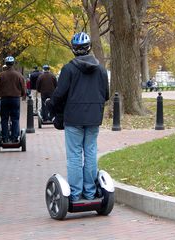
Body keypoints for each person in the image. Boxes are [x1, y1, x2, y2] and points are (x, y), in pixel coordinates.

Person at [47, 32, 109, 202]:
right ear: (89, 48)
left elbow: (59, 95)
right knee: (90, 153)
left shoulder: (68, 69)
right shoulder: (101, 69)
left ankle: (75, 194)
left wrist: (51, 107)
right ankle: (89, 192)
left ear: (73, 49)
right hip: (93, 118)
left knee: (74, 155)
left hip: (74, 119)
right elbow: (106, 95)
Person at [0, 56, 26, 143]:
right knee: (15, 118)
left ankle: (5, 138)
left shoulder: (0, 75)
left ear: (6, 64)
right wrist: (22, 94)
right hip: (15, 99)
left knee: (4, 118)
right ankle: (15, 137)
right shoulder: (19, 75)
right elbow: (23, 88)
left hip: (4, 99)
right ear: (13, 64)